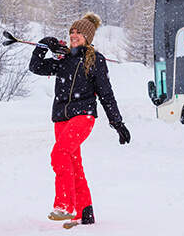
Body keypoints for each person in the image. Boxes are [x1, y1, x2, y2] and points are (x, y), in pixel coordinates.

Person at [29, 12, 131, 229]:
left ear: (88, 37)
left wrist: (117, 123)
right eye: (72, 31)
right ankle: (85, 211)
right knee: (73, 164)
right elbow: (36, 67)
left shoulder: (95, 60)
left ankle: (65, 204)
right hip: (61, 118)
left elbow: (106, 94)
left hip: (83, 115)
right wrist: (43, 45)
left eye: (79, 32)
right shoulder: (63, 59)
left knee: (59, 154)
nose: (74, 35)